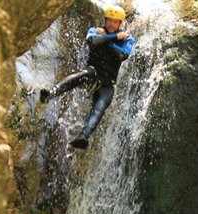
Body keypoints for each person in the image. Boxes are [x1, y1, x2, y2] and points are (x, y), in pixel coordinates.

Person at [39, 5, 134, 149]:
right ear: (105, 20)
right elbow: (92, 41)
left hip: (108, 82)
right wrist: (113, 37)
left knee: (100, 106)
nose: (111, 24)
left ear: (120, 23)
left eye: (115, 22)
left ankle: (83, 137)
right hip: (92, 71)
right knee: (81, 74)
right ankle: (50, 94)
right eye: (109, 20)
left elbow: (122, 55)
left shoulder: (127, 38)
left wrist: (106, 39)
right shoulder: (94, 30)